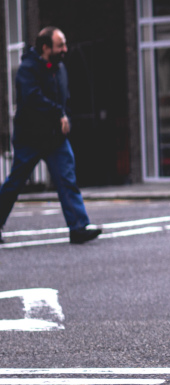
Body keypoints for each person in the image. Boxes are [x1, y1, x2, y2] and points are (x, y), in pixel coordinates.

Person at [0, 27, 101, 244]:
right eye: (60, 45)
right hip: (30, 139)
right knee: (15, 183)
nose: (65, 49)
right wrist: (58, 113)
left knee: (67, 180)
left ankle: (79, 227)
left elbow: (66, 99)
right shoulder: (28, 69)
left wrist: (67, 117)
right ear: (46, 48)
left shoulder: (60, 68)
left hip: (55, 138)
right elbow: (32, 99)